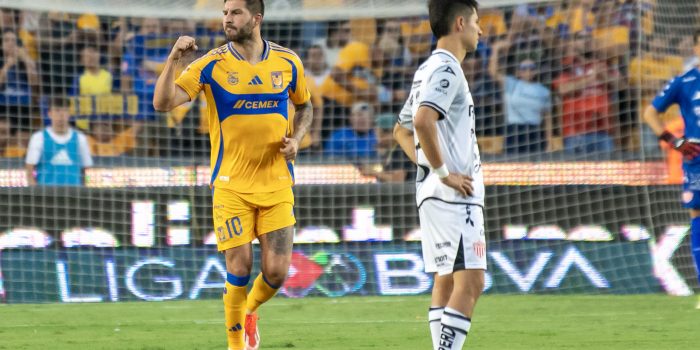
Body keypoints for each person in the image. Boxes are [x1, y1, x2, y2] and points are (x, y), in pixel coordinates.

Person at [152, 1, 313, 349]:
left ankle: (251, 311)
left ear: (256, 18)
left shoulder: (287, 61)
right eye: (225, 11)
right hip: (231, 186)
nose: (227, 18)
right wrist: (173, 60)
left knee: (276, 273)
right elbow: (163, 103)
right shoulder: (211, 63)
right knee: (239, 266)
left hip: (277, 183)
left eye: (236, 12)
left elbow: (305, 106)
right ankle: (236, 345)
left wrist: (297, 139)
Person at [394, 1, 484, 348]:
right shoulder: (447, 70)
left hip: (433, 193)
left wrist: (428, 168)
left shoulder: (426, 70)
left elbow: (401, 131)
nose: (481, 29)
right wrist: (444, 172)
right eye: (476, 21)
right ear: (460, 23)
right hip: (454, 195)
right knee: (471, 282)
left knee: (445, 280)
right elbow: (420, 121)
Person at [642, 29, 700, 310]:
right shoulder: (685, 81)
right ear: (696, 48)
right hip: (697, 158)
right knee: (698, 215)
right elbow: (650, 113)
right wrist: (673, 142)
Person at [488, 39, 552, 153]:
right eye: (524, 68)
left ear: (535, 71)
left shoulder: (543, 91)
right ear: (518, 71)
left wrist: (549, 141)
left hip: (535, 132)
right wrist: (496, 49)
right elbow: (492, 72)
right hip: (514, 131)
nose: (528, 71)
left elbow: (548, 118)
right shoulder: (511, 84)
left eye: (531, 68)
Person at [25, 96, 93, 186]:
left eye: (65, 110)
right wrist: (37, 195)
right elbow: (30, 171)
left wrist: (86, 189)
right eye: (57, 110)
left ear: (69, 113)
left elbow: (87, 171)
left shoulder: (81, 138)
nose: (61, 115)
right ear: (49, 113)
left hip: (75, 196)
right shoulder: (38, 138)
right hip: (46, 196)